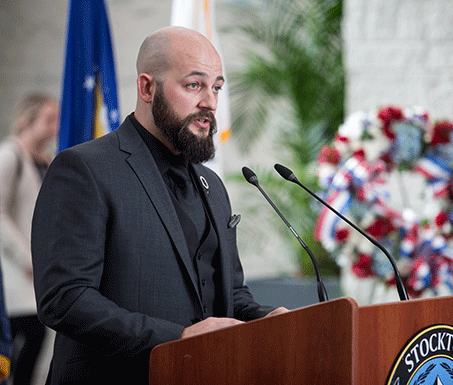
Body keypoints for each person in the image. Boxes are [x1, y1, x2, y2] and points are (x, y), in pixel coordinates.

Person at [31, 26, 288, 385]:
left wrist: (268, 318)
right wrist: (178, 340)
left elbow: (228, 294)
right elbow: (65, 298)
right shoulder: (84, 168)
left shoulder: (212, 184)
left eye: (216, 87)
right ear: (147, 88)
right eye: (194, 85)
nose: (210, 103)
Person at [0, 93, 58, 385]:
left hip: (37, 272)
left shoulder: (47, 160)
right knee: (27, 335)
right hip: (14, 271)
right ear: (29, 120)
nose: (55, 126)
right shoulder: (10, 155)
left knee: (35, 336)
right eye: (49, 119)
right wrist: (27, 258)